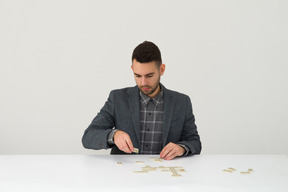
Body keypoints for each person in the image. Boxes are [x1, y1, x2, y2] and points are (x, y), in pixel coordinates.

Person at [82, 41, 201, 160]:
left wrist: (182, 148)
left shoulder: (181, 102)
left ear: (162, 70)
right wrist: (113, 135)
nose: (143, 82)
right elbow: (88, 136)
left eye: (149, 76)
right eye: (138, 76)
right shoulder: (117, 99)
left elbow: (195, 142)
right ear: (132, 69)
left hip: (165, 173)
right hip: (126, 173)